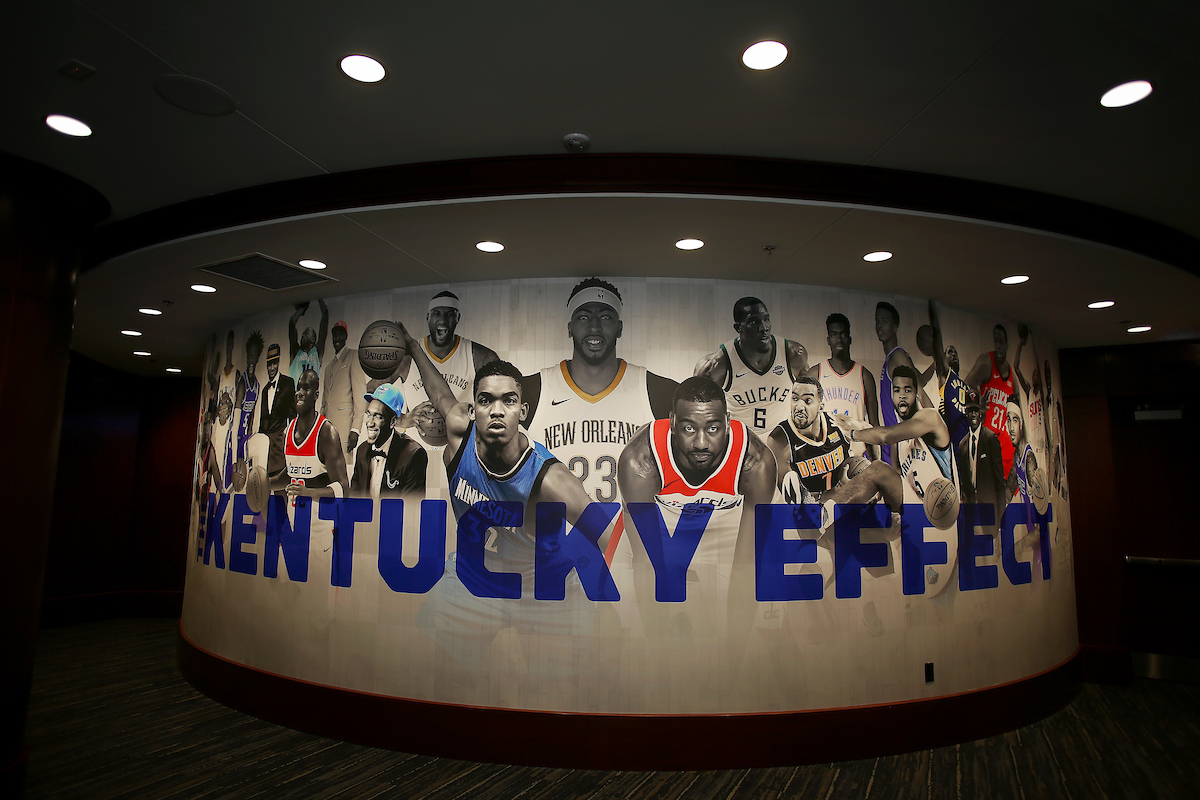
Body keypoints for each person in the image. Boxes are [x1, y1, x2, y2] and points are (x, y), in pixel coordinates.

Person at [397, 319, 602, 701]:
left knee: (556, 694)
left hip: (541, 585)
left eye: (508, 401)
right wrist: (412, 347)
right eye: (485, 400)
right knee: (427, 667)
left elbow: (609, 535)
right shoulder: (458, 433)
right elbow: (439, 391)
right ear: (472, 408)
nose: (496, 410)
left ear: (522, 411)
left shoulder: (551, 478)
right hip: (475, 575)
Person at [522, 278, 678, 559]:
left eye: (605, 317)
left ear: (619, 327)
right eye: (583, 317)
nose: (594, 327)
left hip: (630, 554)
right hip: (550, 559)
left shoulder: (659, 392)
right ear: (570, 327)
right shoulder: (531, 390)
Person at [617, 376, 777, 638]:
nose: (701, 443)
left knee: (759, 625)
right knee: (630, 625)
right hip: (663, 519)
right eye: (689, 429)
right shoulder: (640, 461)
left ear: (728, 422)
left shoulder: (755, 462)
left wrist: (735, 658)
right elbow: (646, 563)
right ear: (672, 423)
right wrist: (658, 650)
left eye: (713, 429)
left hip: (728, 521)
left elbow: (746, 564)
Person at [767, 376, 904, 530]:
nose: (799, 406)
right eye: (795, 399)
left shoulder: (837, 423)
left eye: (807, 401)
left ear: (821, 406)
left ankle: (896, 519)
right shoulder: (779, 438)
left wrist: (871, 463)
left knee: (879, 468)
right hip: (817, 517)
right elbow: (796, 498)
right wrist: (842, 491)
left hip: (848, 508)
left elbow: (868, 429)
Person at [694, 296, 808, 437]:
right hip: (742, 441)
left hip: (782, 439)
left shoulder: (793, 353)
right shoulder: (715, 365)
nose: (764, 328)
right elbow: (700, 413)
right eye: (754, 322)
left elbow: (808, 399)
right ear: (738, 328)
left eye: (766, 319)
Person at [271, 368, 350, 505]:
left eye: (306, 389)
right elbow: (291, 475)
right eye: (298, 388)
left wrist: (308, 493)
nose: (300, 393)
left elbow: (344, 489)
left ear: (316, 395)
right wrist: (264, 483)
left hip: (322, 524)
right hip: (294, 523)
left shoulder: (326, 433)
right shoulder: (288, 431)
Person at [806, 313, 879, 459]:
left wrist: (876, 462)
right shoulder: (815, 373)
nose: (839, 339)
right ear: (828, 340)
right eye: (834, 335)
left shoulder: (864, 376)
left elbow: (874, 426)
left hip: (857, 456)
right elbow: (807, 422)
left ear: (850, 339)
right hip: (825, 456)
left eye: (843, 334)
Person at [874, 301, 932, 466]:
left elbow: (920, 392)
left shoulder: (897, 357)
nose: (879, 326)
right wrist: (937, 361)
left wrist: (934, 425)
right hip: (895, 440)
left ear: (895, 326)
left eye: (884, 322)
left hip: (900, 444)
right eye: (877, 321)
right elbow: (920, 380)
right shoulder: (895, 357)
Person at [350, 383, 427, 500]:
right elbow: (353, 499)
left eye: (378, 416)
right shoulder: (362, 450)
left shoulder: (413, 455)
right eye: (369, 414)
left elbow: (411, 509)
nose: (369, 423)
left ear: (392, 422)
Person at [964, 323, 1018, 477]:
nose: (998, 345)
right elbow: (964, 389)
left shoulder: (1012, 376)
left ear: (1007, 344)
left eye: (1001, 341)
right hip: (984, 442)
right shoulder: (986, 362)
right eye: (996, 341)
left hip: (1003, 445)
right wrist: (977, 407)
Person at [925, 300, 976, 450]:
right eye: (949, 352)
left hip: (967, 435)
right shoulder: (946, 375)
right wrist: (934, 320)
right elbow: (938, 345)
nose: (953, 354)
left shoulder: (966, 385)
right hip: (951, 433)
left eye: (955, 352)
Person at [320, 319, 368, 458]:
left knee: (342, 473)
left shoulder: (353, 356)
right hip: (326, 432)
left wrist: (355, 430)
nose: (337, 338)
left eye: (341, 334)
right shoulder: (329, 366)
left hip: (344, 431)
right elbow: (324, 402)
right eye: (335, 335)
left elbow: (360, 397)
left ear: (346, 337)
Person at [957, 391, 1006, 517]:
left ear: (981, 413)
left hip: (989, 505)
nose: (973, 414)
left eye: (976, 411)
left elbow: (999, 480)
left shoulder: (991, 438)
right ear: (966, 413)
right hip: (971, 508)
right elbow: (964, 479)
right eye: (970, 411)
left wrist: (1001, 515)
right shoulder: (963, 444)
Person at [257, 342, 296, 483]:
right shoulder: (264, 390)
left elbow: (293, 416)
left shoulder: (288, 383)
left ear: (278, 362)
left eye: (274, 363)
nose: (271, 368)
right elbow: (262, 422)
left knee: (281, 488)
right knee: (263, 490)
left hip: (280, 448)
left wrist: (287, 439)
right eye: (269, 364)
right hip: (265, 449)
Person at [233, 330, 264, 489]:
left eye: (254, 356)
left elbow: (252, 415)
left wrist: (251, 432)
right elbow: (237, 412)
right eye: (249, 356)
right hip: (237, 434)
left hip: (246, 434)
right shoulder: (242, 382)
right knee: (236, 474)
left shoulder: (257, 385)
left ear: (258, 358)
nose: (251, 359)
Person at [288, 299, 328, 382]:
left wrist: (319, 298)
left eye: (306, 334)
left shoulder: (317, 352)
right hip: (296, 392)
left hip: (310, 393)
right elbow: (292, 323)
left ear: (313, 339)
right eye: (303, 335)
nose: (302, 336)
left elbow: (325, 317)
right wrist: (301, 310)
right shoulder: (296, 351)